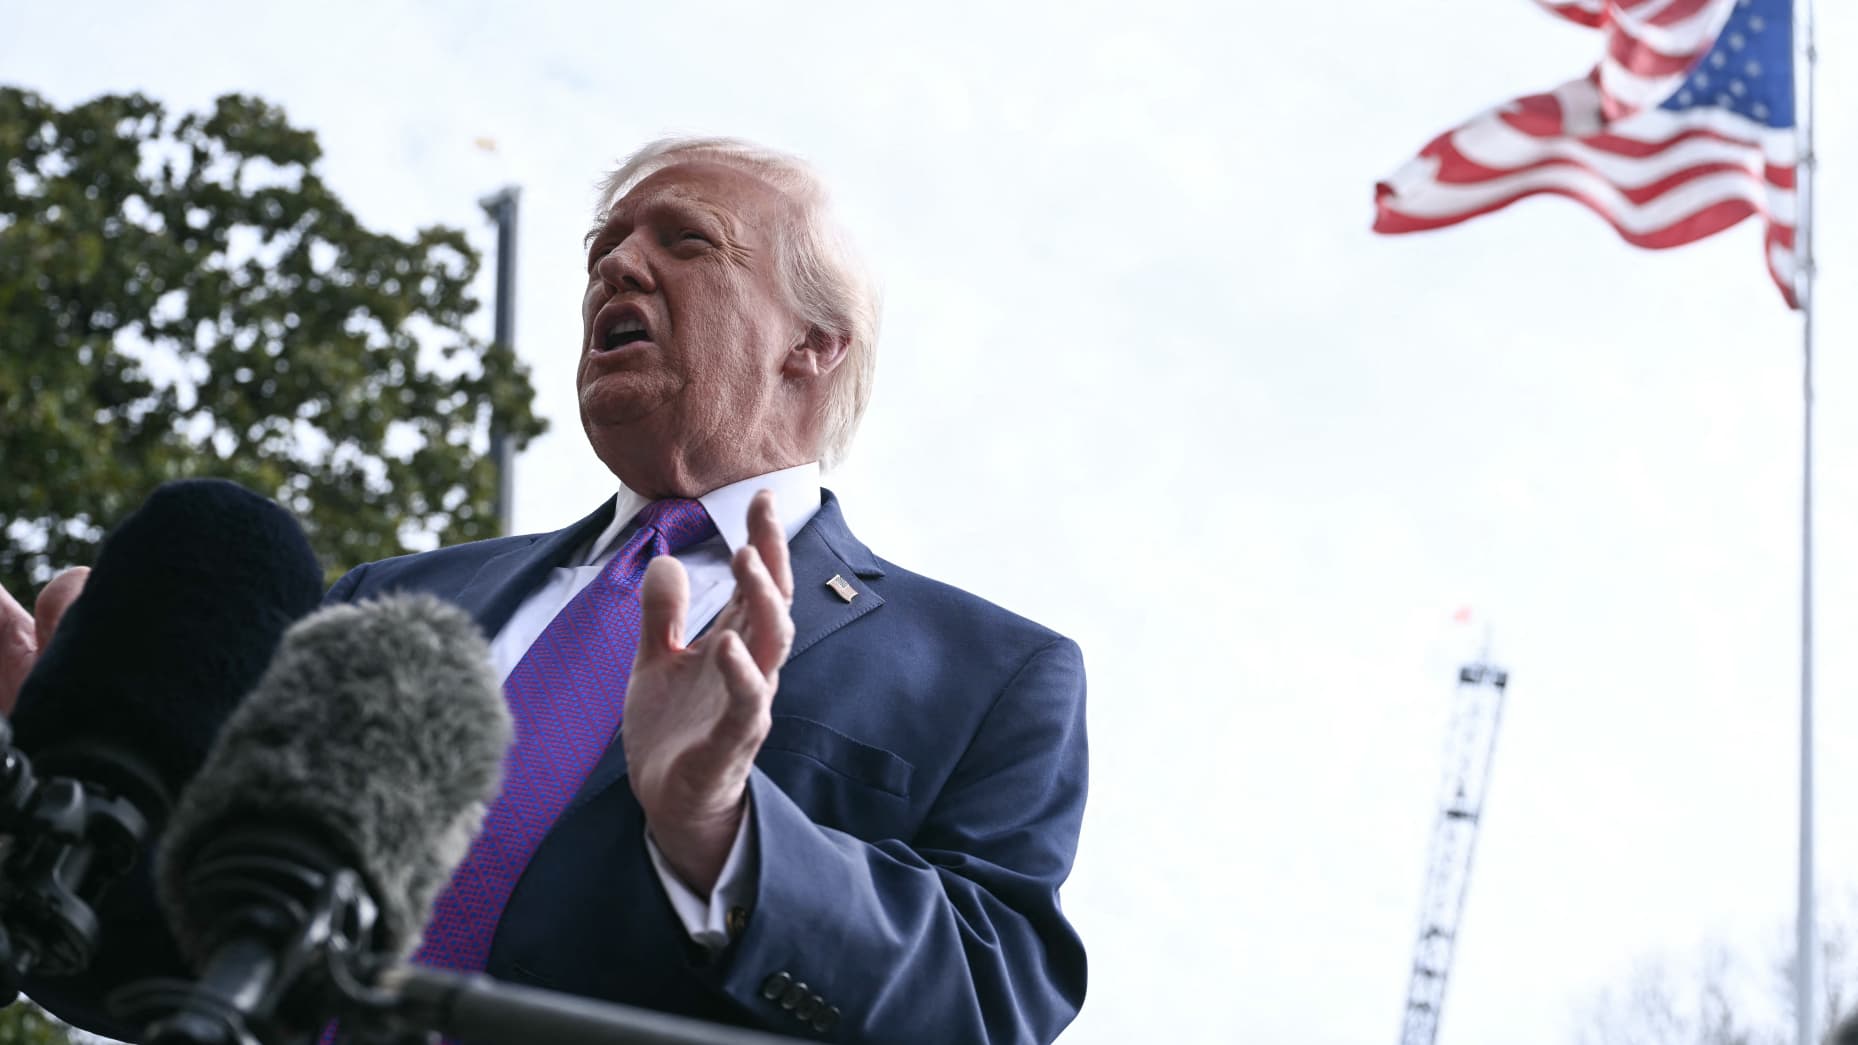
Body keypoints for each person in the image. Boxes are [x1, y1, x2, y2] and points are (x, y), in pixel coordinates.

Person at [1, 137, 1088, 1044]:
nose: (617, 267)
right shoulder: (387, 602)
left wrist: (722, 830)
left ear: (814, 342)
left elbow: (992, 1002)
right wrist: (68, 815)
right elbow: (174, 944)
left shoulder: (990, 673)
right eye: (602, 247)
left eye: (684, 240)